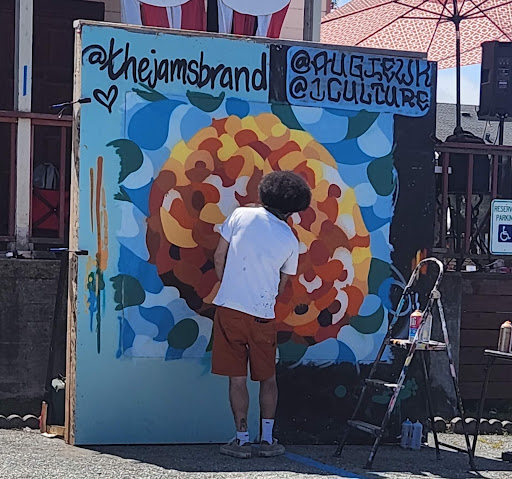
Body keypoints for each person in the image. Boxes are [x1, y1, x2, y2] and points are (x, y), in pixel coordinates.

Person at [211, 170, 312, 459]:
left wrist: (228, 284)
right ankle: (267, 440)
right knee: (268, 378)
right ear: (293, 208)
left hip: (230, 309)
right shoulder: (290, 239)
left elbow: (219, 256)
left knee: (237, 379)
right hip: (262, 315)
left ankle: (241, 440)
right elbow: (282, 283)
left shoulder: (240, 215)